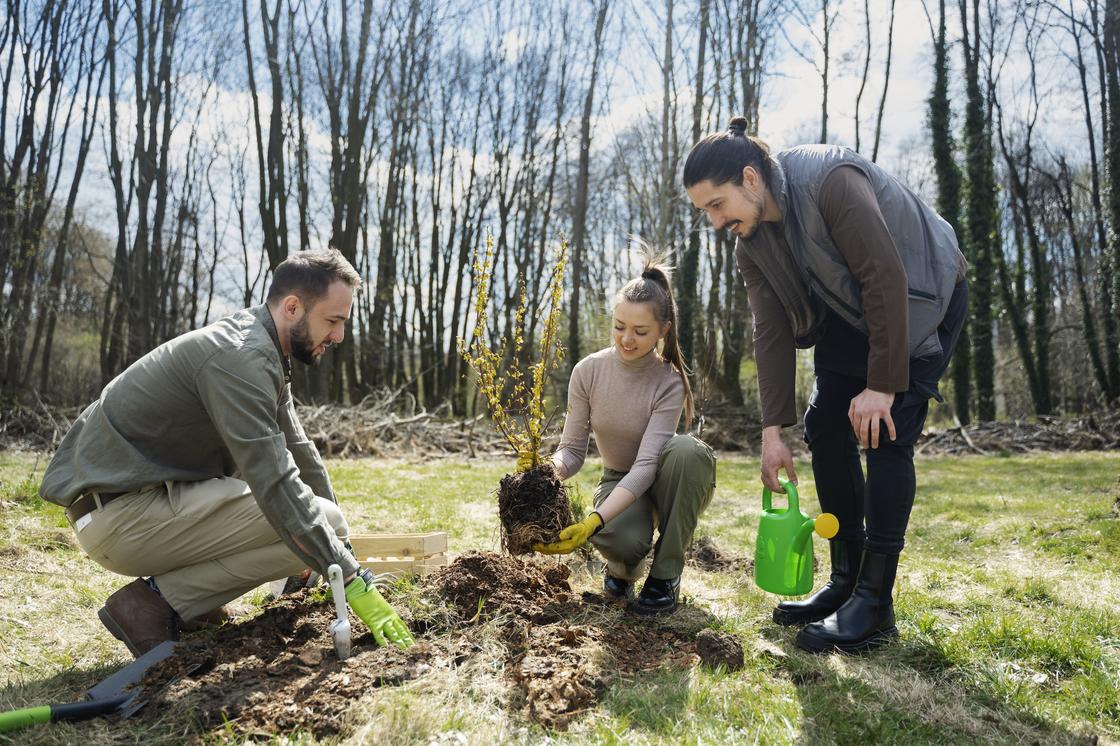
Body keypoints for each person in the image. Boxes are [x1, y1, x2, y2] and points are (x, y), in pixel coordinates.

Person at [683, 118, 968, 653]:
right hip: (853, 312)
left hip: (922, 298)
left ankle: (876, 603)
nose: (716, 221)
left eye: (717, 205)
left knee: (883, 432)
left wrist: (883, 385)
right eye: (706, 212)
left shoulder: (829, 179)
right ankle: (845, 581)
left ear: (749, 177)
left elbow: (885, 276)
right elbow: (769, 334)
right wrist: (772, 432)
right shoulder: (752, 245)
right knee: (825, 424)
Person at [40, 249, 413, 657]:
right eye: (333, 321)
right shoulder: (240, 360)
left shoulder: (261, 346)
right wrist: (352, 578)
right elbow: (275, 480)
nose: (339, 336)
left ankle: (189, 601)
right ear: (293, 307)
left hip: (137, 504)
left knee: (324, 525)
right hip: (121, 516)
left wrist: (342, 556)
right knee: (316, 522)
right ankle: (150, 604)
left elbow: (301, 453)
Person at [534, 253, 716, 615]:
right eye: (619, 326)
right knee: (616, 537)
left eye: (640, 331)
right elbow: (571, 452)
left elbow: (648, 464)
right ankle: (623, 569)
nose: (627, 339)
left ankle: (665, 575)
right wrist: (543, 471)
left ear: (663, 330)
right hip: (618, 479)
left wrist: (594, 519)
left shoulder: (669, 381)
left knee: (687, 451)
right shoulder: (588, 371)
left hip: (667, 481)